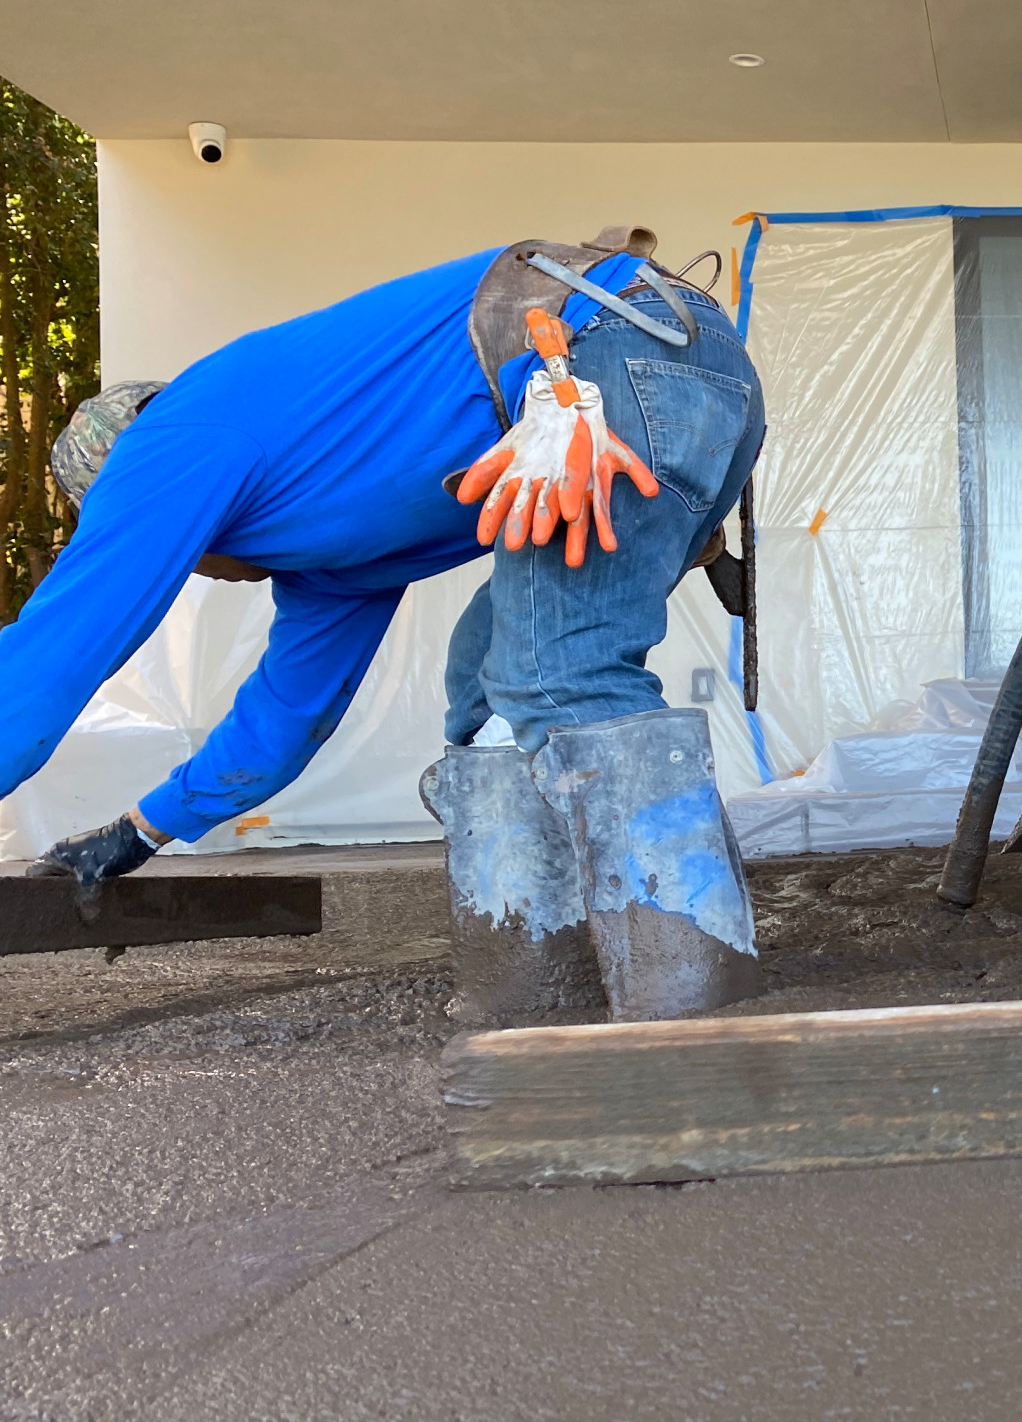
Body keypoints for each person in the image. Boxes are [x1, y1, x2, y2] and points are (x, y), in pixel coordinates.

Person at [11, 231, 766, 1023]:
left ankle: (694, 994)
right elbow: (283, 722)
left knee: (557, 671)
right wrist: (135, 835)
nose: (196, 570)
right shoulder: (328, 551)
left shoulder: (167, 440)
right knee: (483, 691)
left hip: (604, 354)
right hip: (694, 370)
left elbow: (47, 666)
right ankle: (535, 983)